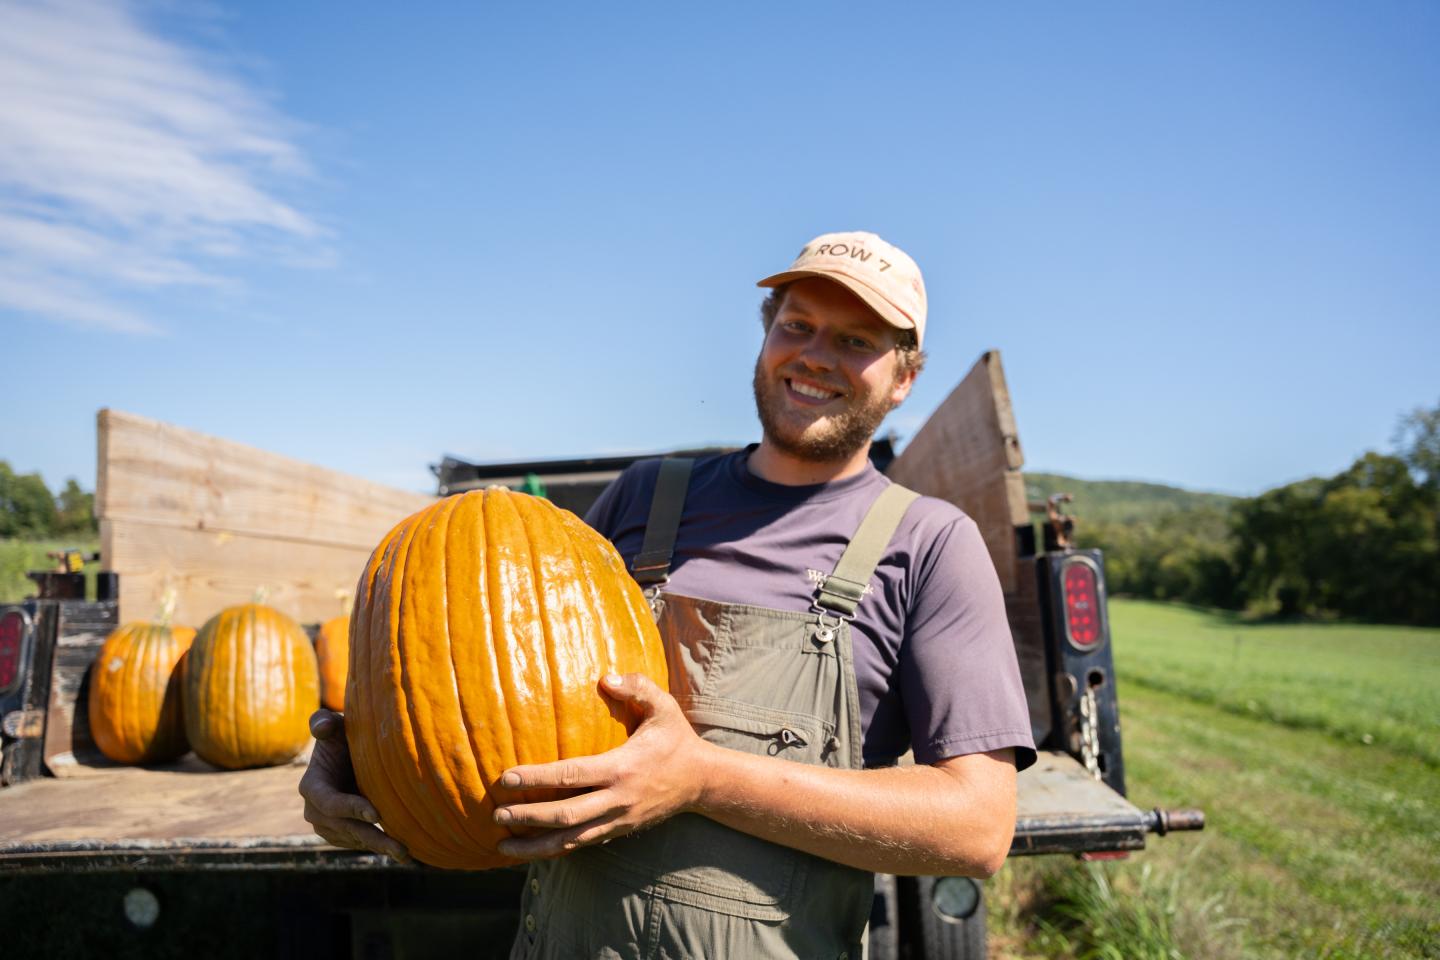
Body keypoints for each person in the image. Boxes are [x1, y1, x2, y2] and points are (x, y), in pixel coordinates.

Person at [301, 230, 1036, 959]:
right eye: (798, 326)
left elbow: (976, 827)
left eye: (855, 341)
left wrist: (703, 779)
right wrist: (363, 767)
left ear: (904, 377)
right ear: (766, 335)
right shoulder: (645, 500)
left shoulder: (930, 545)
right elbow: (484, 689)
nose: (815, 355)